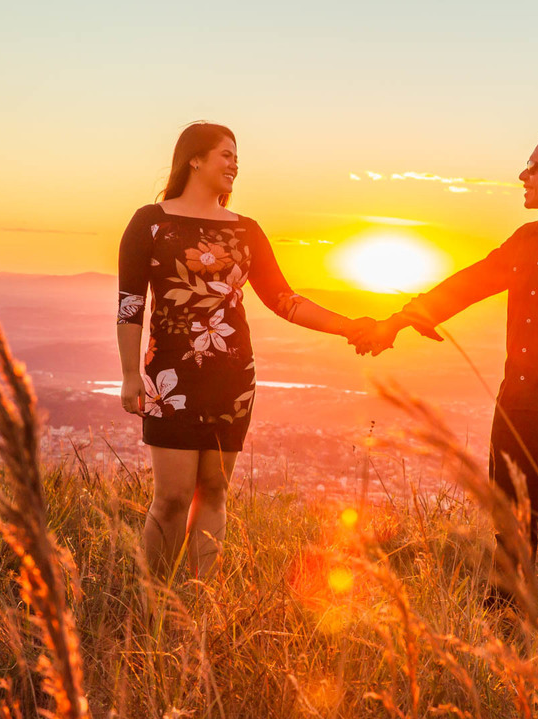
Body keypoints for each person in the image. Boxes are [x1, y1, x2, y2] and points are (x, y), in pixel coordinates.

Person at [353, 128, 538, 619]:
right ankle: (504, 616)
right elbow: (472, 281)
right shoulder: (527, 239)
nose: (523, 175)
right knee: (509, 519)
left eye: (534, 167)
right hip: (514, 401)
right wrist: (401, 320)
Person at [116, 121, 372, 582]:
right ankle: (151, 601)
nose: (235, 164)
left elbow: (285, 301)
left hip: (232, 376)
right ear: (195, 158)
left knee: (213, 491)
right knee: (172, 496)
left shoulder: (246, 231)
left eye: (237, 156)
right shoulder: (150, 223)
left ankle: (199, 601)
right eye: (226, 154)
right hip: (169, 377)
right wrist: (129, 374)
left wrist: (348, 327)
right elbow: (130, 305)